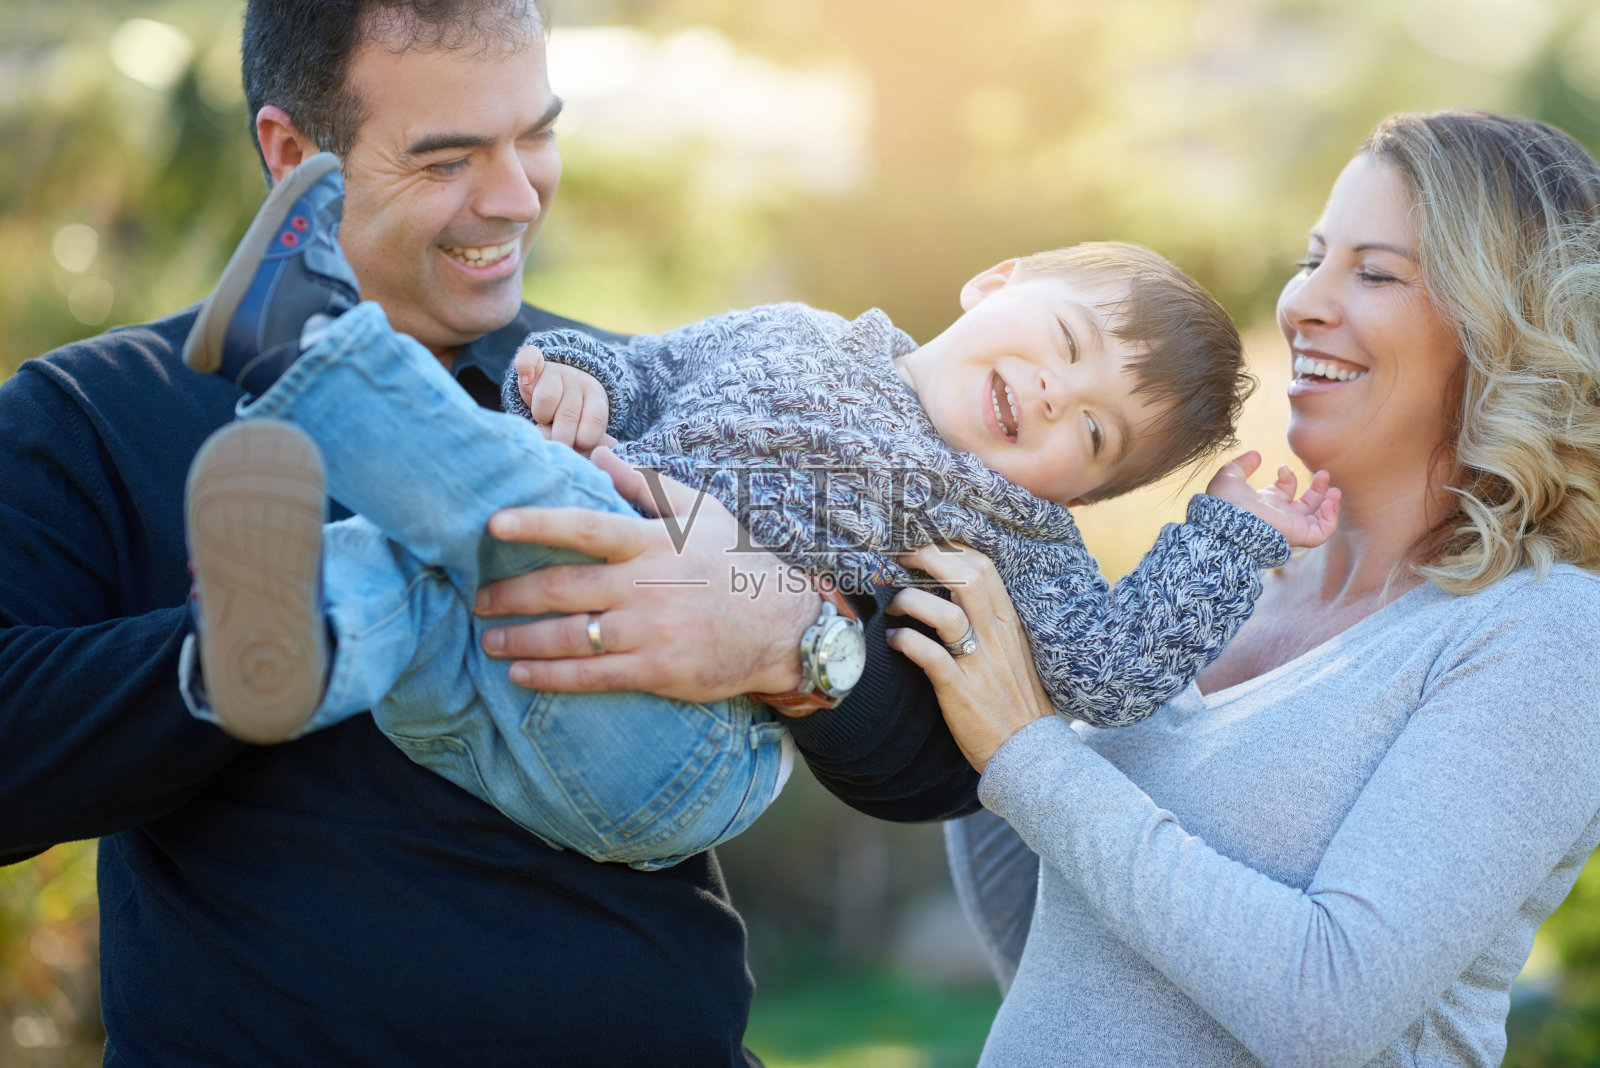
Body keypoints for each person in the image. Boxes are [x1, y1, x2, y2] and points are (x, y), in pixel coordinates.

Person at [0, 1, 979, 1062]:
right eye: (449, 157)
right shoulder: (95, 415)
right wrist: (249, 651)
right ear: (292, 154)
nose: (515, 197)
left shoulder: (620, 389)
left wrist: (784, 635)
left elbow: (939, 765)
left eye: (538, 135)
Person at [179, 152, 1340, 871]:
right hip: (498, 670)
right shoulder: (787, 330)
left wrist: (1228, 534)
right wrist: (573, 377)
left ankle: (313, 350)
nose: (1051, 395)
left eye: (1091, 435)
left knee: (559, 507)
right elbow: (643, 376)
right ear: (997, 281)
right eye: (1065, 344)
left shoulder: (1007, 527)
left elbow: (1105, 671)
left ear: (1077, 493)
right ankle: (287, 651)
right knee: (408, 572)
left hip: (679, 746)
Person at [896, 109, 1600, 1066]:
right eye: (1315, 256)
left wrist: (1027, 750)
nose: (1304, 300)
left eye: (1376, 272)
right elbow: (1079, 949)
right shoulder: (1228, 591)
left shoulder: (1548, 632)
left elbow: (1328, 1005)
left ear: (1500, 332)